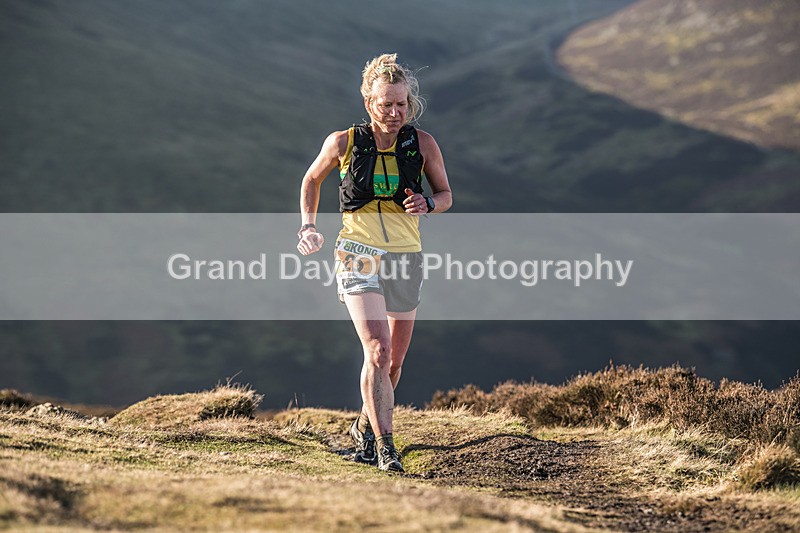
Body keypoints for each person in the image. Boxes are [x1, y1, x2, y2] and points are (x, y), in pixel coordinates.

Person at [296, 53, 452, 472]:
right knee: (378, 350)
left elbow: (446, 196)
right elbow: (312, 179)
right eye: (387, 104)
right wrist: (308, 226)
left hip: (406, 256)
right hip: (356, 252)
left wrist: (428, 202)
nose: (396, 112)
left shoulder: (423, 144)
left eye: (402, 104)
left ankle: (365, 426)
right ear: (369, 103)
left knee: (394, 362)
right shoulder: (343, 142)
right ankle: (385, 448)